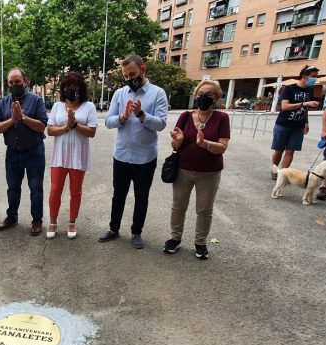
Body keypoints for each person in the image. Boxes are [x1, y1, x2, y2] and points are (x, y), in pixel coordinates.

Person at [98, 54, 169, 249]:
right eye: (126, 76)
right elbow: (107, 121)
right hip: (121, 155)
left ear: (143, 69)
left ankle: (136, 232)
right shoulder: (120, 94)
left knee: (141, 196)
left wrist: (141, 115)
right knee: (118, 194)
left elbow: (162, 124)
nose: (130, 79)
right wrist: (122, 117)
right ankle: (113, 229)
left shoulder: (158, 93)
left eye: (133, 74)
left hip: (145, 157)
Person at [166, 80, 230, 260]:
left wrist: (204, 144)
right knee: (178, 207)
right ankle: (174, 238)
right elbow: (175, 143)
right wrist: (177, 141)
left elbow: (223, 147)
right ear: (195, 96)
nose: (204, 98)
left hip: (209, 173)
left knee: (204, 209)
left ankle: (200, 243)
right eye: (200, 94)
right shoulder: (185, 116)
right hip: (183, 170)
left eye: (209, 95)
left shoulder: (221, 118)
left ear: (216, 98)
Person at [0, 67, 48, 236]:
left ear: (26, 81)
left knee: (35, 188)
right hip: (13, 153)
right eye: (11, 82)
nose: (14, 85)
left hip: (34, 152)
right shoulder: (2, 103)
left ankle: (37, 220)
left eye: (18, 82)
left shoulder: (36, 101)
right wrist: (12, 120)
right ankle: (12, 216)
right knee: (13, 187)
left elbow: (42, 125)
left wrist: (23, 118)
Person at [46, 71, 98, 239]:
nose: (71, 91)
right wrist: (65, 128)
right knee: (55, 190)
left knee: (76, 191)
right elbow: (50, 130)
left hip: (78, 156)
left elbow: (91, 132)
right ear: (63, 89)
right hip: (59, 156)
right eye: (68, 88)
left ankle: (72, 221)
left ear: (81, 89)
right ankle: (53, 221)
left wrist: (75, 124)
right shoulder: (57, 106)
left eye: (75, 88)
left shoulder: (89, 107)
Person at [270, 65, 319, 180]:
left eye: (317, 76)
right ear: (304, 76)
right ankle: (275, 169)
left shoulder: (309, 90)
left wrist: (306, 123)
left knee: (290, 151)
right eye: (313, 76)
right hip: (283, 125)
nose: (315, 79)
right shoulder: (290, 89)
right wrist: (303, 104)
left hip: (298, 127)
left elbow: (305, 109)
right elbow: (284, 106)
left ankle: (282, 174)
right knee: (279, 150)